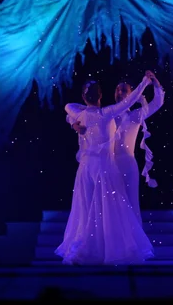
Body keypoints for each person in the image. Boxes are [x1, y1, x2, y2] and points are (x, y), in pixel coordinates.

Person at [57, 72, 155, 265]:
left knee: (87, 209)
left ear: (84, 97)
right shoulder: (107, 113)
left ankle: (88, 246)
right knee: (108, 209)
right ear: (101, 96)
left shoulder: (80, 113)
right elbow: (131, 100)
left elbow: (67, 106)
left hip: (86, 169)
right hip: (104, 168)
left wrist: (77, 122)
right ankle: (108, 248)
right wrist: (145, 82)